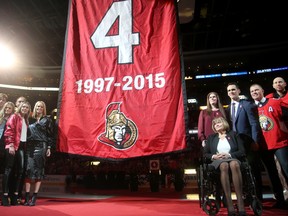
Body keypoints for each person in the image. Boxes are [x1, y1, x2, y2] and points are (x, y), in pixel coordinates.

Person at [250, 83, 288, 208]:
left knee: (286, 170)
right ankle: (280, 200)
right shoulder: (251, 108)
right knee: (272, 174)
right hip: (263, 146)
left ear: (262, 91)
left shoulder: (274, 102)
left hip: (280, 143)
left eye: (256, 90)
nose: (254, 92)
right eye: (252, 91)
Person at [226, 82, 263, 200]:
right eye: (229, 90)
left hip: (249, 142)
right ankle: (247, 196)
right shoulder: (229, 107)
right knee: (241, 171)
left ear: (239, 91)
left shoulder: (246, 104)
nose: (231, 92)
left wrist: (255, 141)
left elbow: (253, 124)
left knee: (253, 169)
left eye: (233, 90)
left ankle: (258, 197)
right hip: (237, 144)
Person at [204, 117, 246, 216]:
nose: (217, 125)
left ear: (224, 124)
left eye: (219, 123)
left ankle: (240, 203)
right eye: (215, 124)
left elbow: (242, 151)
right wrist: (214, 156)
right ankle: (229, 204)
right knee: (224, 165)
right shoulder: (211, 138)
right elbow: (205, 154)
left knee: (234, 164)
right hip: (218, 161)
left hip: (232, 158)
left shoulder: (234, 134)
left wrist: (229, 155)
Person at [23, 101, 54, 206]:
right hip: (30, 146)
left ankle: (34, 197)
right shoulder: (29, 118)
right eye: (37, 106)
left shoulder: (47, 120)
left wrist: (49, 147)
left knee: (39, 171)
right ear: (34, 107)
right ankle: (26, 196)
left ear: (43, 108)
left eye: (41, 106)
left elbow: (50, 135)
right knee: (28, 170)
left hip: (42, 146)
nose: (39, 108)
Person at [1, 101, 31, 206]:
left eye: (27, 107)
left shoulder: (26, 120)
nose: (24, 108)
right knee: (8, 170)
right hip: (13, 146)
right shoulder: (14, 117)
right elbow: (9, 131)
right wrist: (11, 145)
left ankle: (15, 195)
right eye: (23, 106)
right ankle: (4, 195)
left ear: (28, 110)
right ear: (19, 107)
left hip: (22, 147)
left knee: (21, 171)